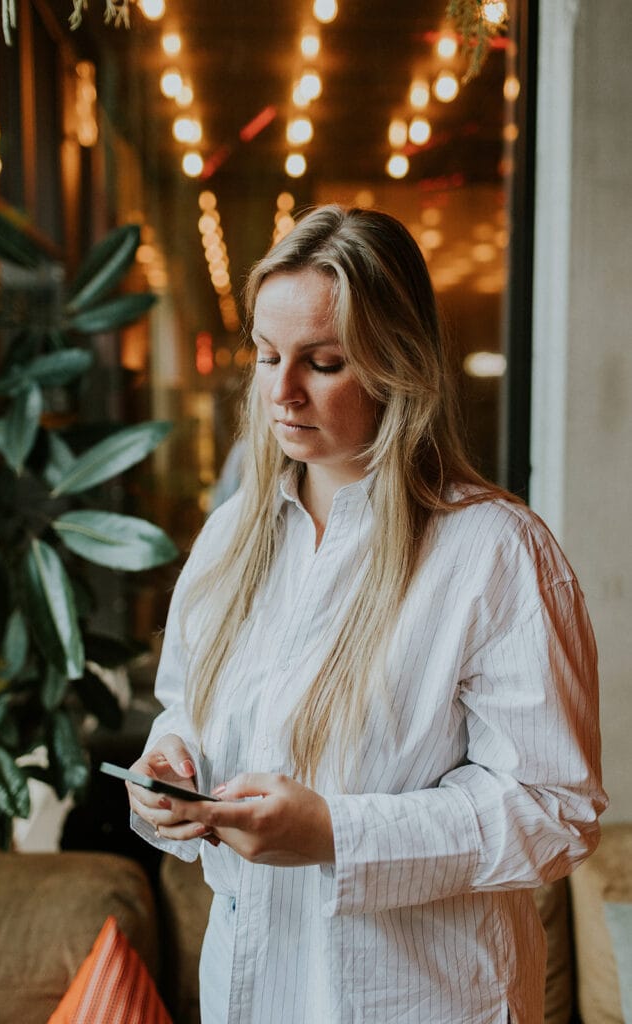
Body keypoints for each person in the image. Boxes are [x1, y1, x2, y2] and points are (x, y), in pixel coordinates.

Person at [128, 205, 607, 1024]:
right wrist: (170, 770)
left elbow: (553, 810)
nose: (279, 392)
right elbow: (184, 706)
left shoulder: (493, 554)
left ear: (399, 367)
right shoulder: (228, 538)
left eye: (321, 362)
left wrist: (335, 834)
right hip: (248, 991)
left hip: (420, 1000)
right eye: (267, 354)